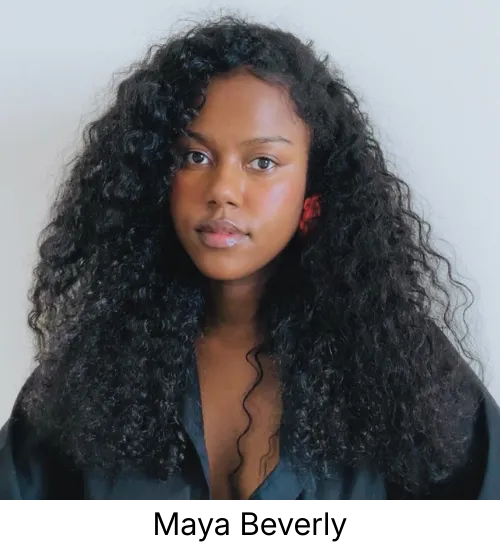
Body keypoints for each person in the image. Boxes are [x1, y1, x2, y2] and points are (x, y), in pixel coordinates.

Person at [0, 15, 499, 504]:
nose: (222, 190)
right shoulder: (95, 366)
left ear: (313, 186)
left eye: (263, 162)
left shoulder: (397, 365)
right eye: (194, 156)